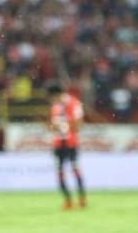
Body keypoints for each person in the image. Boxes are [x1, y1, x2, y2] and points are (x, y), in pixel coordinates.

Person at [47, 81, 86, 210]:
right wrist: (54, 127)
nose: (52, 99)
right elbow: (52, 126)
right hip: (58, 143)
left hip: (71, 143)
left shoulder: (74, 103)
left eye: (52, 96)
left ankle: (82, 199)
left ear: (57, 94)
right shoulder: (55, 106)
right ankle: (68, 201)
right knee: (60, 172)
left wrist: (66, 126)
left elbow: (79, 124)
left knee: (75, 169)